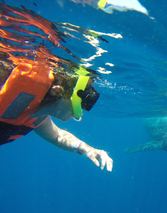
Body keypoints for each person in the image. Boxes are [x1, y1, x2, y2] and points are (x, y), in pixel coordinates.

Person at [0, 3, 113, 172]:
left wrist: (87, 149)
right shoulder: (5, 80)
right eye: (77, 107)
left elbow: (59, 136)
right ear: (58, 91)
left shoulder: (36, 115)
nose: (77, 117)